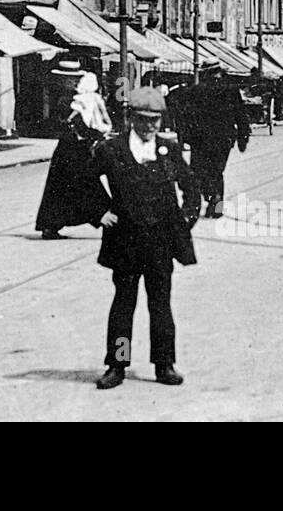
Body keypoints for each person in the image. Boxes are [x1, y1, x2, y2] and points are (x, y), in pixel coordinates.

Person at [92, 87, 201, 390]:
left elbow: (192, 187)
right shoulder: (112, 150)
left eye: (155, 119)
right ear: (130, 118)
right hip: (125, 242)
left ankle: (164, 364)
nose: (150, 125)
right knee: (124, 306)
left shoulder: (168, 149)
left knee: (161, 305)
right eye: (143, 119)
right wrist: (99, 212)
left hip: (160, 243)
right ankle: (117, 364)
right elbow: (82, 179)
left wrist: (184, 221)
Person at [36, 72, 114, 239]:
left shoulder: (69, 98)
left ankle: (50, 225)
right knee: (88, 184)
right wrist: (98, 135)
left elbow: (69, 121)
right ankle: (109, 218)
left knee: (60, 188)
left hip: (65, 148)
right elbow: (98, 124)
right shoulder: (91, 99)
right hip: (78, 149)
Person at [166, 64, 250, 219]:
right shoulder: (231, 90)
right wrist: (243, 138)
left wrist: (183, 138)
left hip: (201, 139)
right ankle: (216, 204)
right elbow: (241, 115)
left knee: (199, 171)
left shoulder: (196, 90)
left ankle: (211, 198)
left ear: (205, 73)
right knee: (217, 172)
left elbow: (185, 116)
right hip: (224, 139)